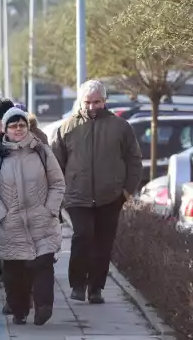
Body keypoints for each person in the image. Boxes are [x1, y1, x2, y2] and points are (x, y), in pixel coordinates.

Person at [52, 80, 142, 304]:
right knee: (82, 236)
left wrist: (127, 192)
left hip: (110, 196)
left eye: (97, 102)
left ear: (105, 101)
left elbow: (134, 161)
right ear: (81, 102)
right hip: (77, 196)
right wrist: (61, 195)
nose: (92, 106)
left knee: (103, 242)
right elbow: (54, 165)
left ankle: (96, 288)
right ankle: (77, 284)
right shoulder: (66, 128)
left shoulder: (121, 127)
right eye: (88, 102)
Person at [0, 107, 65, 325]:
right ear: (5, 129)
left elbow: (57, 183)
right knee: (14, 274)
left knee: (43, 265)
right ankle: (19, 310)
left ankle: (44, 307)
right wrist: (1, 214)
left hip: (41, 221)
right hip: (11, 224)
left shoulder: (41, 151)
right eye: (13, 125)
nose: (18, 129)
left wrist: (50, 209)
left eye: (22, 125)